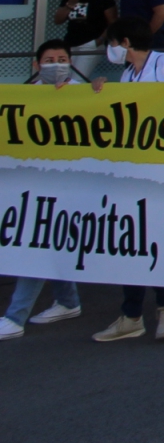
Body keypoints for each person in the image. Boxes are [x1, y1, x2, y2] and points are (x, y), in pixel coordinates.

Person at [88, 17, 164, 343]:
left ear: (126, 43)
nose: (112, 50)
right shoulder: (128, 73)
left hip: (160, 169)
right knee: (131, 239)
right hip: (133, 168)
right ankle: (136, 312)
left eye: (113, 43)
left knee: (147, 237)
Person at [0, 42, 87, 339]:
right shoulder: (22, 94)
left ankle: (15, 316)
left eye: (62, 59)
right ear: (36, 66)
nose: (56, 64)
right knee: (47, 240)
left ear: (72, 63)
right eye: (49, 60)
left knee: (38, 240)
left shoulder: (87, 93)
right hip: (30, 183)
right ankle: (68, 301)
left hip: (68, 184)